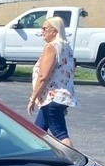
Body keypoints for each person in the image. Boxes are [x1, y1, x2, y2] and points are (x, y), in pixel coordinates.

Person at [27, 17, 79, 148]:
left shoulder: (51, 47)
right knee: (37, 132)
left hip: (52, 98)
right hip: (59, 97)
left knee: (61, 135)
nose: (42, 31)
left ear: (54, 31)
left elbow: (43, 75)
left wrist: (33, 97)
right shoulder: (66, 47)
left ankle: (73, 161)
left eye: (45, 28)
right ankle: (36, 159)